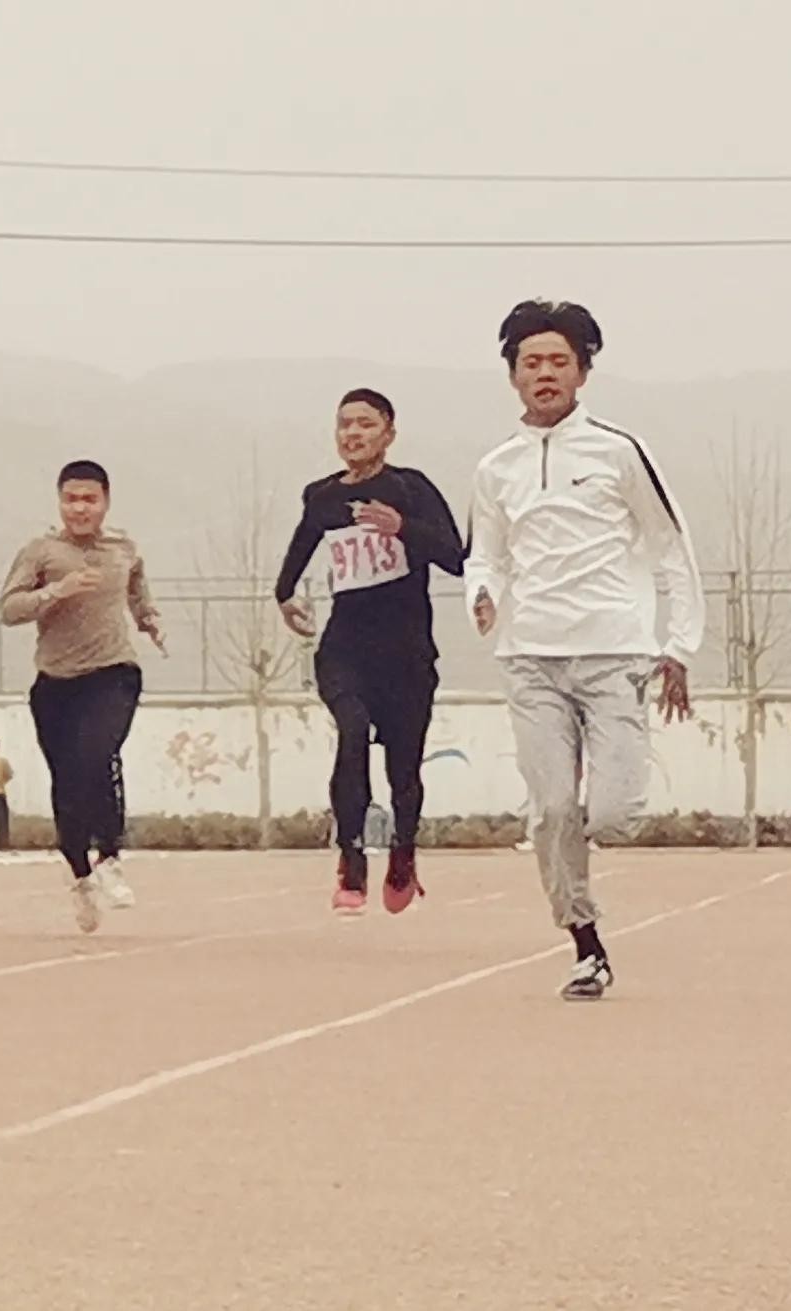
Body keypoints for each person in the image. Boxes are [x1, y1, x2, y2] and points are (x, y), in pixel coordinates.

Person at [465, 300, 702, 1001]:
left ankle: (601, 802)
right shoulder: (496, 467)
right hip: (530, 657)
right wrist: (483, 592)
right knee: (552, 811)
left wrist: (679, 644)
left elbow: (670, 545)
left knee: (613, 815)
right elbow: (486, 553)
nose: (545, 373)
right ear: (513, 375)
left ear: (582, 372)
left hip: (613, 652)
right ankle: (586, 943)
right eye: (531, 362)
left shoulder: (617, 451)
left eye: (558, 362)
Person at [274, 389, 465, 916]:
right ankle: (351, 854)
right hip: (345, 649)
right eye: (345, 424)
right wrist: (284, 596)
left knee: (404, 768)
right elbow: (300, 548)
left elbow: (456, 557)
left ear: (389, 433)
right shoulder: (323, 497)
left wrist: (402, 527)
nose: (353, 434)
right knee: (352, 732)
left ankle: (403, 853)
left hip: (405, 653)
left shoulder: (410, 488)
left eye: (365, 424)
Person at [0, 459, 163, 931]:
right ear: (59, 502)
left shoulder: (123, 548)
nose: (80, 508)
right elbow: (9, 609)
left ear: (106, 502)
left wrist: (148, 618)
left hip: (113, 673)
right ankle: (80, 875)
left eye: (89, 499)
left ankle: (110, 856)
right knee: (68, 785)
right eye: (71, 499)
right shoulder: (42, 552)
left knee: (99, 754)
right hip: (56, 684)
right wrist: (58, 590)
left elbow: (136, 587)